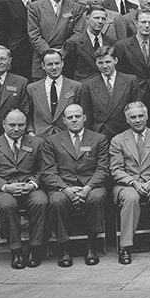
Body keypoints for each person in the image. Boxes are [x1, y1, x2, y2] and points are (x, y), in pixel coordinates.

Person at [0, 108, 47, 269]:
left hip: (30, 189)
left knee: (41, 201)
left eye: (21, 125)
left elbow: (44, 169)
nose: (16, 129)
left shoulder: (37, 143)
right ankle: (16, 250)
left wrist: (32, 184)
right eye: (12, 125)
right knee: (7, 205)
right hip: (1, 190)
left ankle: (35, 249)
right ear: (3, 124)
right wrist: (6, 186)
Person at [40, 103, 108, 266]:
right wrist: (66, 189)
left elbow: (103, 168)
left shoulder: (99, 139)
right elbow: (48, 171)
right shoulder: (52, 141)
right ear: (64, 120)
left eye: (77, 116)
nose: (74, 120)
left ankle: (91, 246)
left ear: (84, 117)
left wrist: (87, 188)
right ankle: (64, 249)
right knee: (57, 201)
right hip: (62, 186)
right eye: (70, 117)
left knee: (97, 198)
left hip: (91, 186)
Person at [109, 102, 150, 265]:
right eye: (133, 117)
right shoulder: (118, 140)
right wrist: (133, 182)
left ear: (147, 117)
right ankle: (125, 246)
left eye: (140, 116)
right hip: (128, 184)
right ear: (127, 120)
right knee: (130, 199)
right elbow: (116, 169)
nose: (137, 120)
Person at [26, 0, 84, 80]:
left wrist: (62, 53)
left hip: (66, 60)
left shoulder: (75, 7)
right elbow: (34, 35)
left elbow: (78, 34)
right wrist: (49, 54)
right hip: (42, 60)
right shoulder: (35, 7)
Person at [78, 47, 142, 141]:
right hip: (100, 136)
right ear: (96, 63)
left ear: (115, 60)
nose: (104, 66)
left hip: (125, 135)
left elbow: (138, 111)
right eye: (100, 63)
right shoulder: (88, 85)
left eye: (108, 62)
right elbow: (86, 117)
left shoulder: (130, 81)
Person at [114, 9, 150, 114]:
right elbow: (118, 74)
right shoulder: (122, 45)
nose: (147, 25)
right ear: (136, 23)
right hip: (131, 93)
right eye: (143, 22)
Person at [26, 49, 81, 139]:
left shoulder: (75, 87)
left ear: (62, 63)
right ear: (43, 66)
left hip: (67, 137)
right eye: (50, 64)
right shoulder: (32, 88)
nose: (54, 67)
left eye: (57, 63)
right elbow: (29, 115)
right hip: (40, 138)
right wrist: (31, 132)